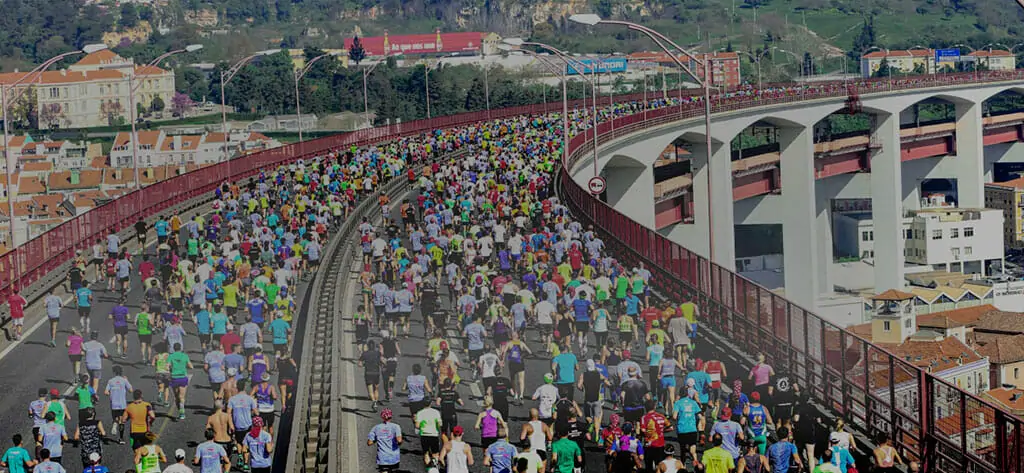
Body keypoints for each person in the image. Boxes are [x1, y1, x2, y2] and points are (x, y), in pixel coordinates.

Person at [672, 390, 705, 466]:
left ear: (680, 395)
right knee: (692, 446)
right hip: (692, 429)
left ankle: (683, 466)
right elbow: (700, 417)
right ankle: (695, 460)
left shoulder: (678, 403)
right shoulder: (693, 403)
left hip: (682, 429)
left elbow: (674, 416)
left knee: (683, 449)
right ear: (687, 394)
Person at [105, 365, 132, 444]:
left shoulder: (110, 381)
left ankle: (114, 424)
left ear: (114, 372)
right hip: (122, 404)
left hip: (114, 404)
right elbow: (131, 390)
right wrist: (127, 381)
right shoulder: (124, 380)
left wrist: (112, 393)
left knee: (115, 418)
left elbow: (106, 392)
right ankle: (121, 438)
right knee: (122, 421)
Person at [641, 398, 669, 473]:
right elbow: (671, 427)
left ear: (645, 407)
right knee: (659, 465)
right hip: (660, 444)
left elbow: (643, 430)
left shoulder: (644, 417)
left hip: (649, 445)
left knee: (648, 465)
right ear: (654, 407)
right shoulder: (662, 416)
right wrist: (661, 431)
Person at [168, 342, 194, 420]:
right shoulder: (184, 356)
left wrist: (171, 369)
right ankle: (182, 411)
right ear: (180, 348)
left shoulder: (171, 356)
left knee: (176, 397)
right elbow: (191, 366)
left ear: (173, 348)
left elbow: (167, 366)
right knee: (182, 396)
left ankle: (180, 411)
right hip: (182, 377)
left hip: (174, 377)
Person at [414, 402, 443, 468]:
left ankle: (428, 468)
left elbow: (417, 425)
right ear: (430, 403)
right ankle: (435, 467)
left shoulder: (420, 412)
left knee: (426, 453)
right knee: (435, 453)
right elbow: (440, 424)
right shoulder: (436, 412)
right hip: (434, 434)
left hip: (424, 435)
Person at [360, 340, 383, 411]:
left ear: (368, 346)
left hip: (368, 373)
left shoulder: (365, 354)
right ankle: (376, 401)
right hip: (376, 373)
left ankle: (374, 402)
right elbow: (381, 359)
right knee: (376, 389)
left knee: (370, 392)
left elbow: (359, 364)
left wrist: (364, 364)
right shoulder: (378, 353)